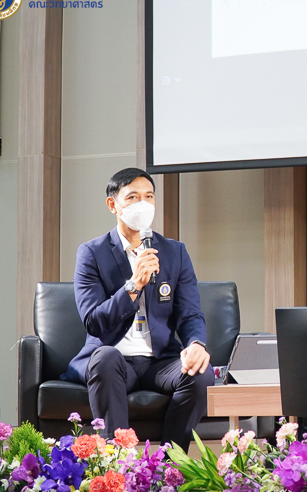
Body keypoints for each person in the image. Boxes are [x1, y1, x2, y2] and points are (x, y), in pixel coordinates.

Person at [61, 167, 213, 450]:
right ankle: (118, 460)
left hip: (159, 361)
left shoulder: (174, 252)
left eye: (149, 196)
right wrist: (134, 285)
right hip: (114, 357)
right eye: (132, 197)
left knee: (201, 372)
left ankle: (170, 463)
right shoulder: (92, 253)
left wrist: (196, 343)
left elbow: (190, 312)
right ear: (113, 205)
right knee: (105, 357)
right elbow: (94, 321)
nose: (143, 204)